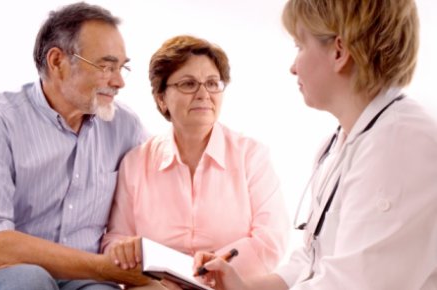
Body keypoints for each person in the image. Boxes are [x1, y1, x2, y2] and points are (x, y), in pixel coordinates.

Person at [187, 0, 437, 289]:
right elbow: (313, 259)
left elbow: (351, 284)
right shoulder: (343, 141)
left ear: (339, 52)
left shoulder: (399, 147)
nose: (293, 67)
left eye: (299, 46)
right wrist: (242, 287)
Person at [0, 2, 151, 289]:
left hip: (85, 278)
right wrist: (104, 268)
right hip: (1, 272)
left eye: (122, 68)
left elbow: (159, 194)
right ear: (57, 61)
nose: (119, 81)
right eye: (106, 66)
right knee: (31, 280)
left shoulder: (125, 125)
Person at [100, 35, 290, 289]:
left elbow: (271, 239)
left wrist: (208, 273)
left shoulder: (251, 155)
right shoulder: (135, 163)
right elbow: (115, 240)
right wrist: (126, 252)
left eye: (212, 83)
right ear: (161, 98)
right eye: (189, 84)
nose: (203, 94)